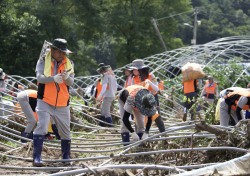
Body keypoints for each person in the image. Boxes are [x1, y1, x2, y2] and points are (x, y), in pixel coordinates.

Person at [33, 38, 74, 166]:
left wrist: (66, 78)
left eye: (64, 52)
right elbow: (39, 77)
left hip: (62, 102)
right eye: (60, 52)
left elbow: (71, 82)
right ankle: (37, 157)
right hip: (45, 100)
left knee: (65, 131)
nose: (62, 55)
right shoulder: (43, 60)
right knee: (43, 125)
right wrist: (53, 79)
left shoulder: (69, 63)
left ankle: (66, 156)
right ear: (53, 50)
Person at [131, 59, 165, 132]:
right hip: (141, 99)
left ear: (140, 69)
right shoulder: (134, 78)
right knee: (139, 118)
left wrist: (149, 82)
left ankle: (163, 134)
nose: (133, 71)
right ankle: (140, 136)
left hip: (152, 98)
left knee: (156, 117)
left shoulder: (151, 75)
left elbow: (157, 88)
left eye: (135, 69)